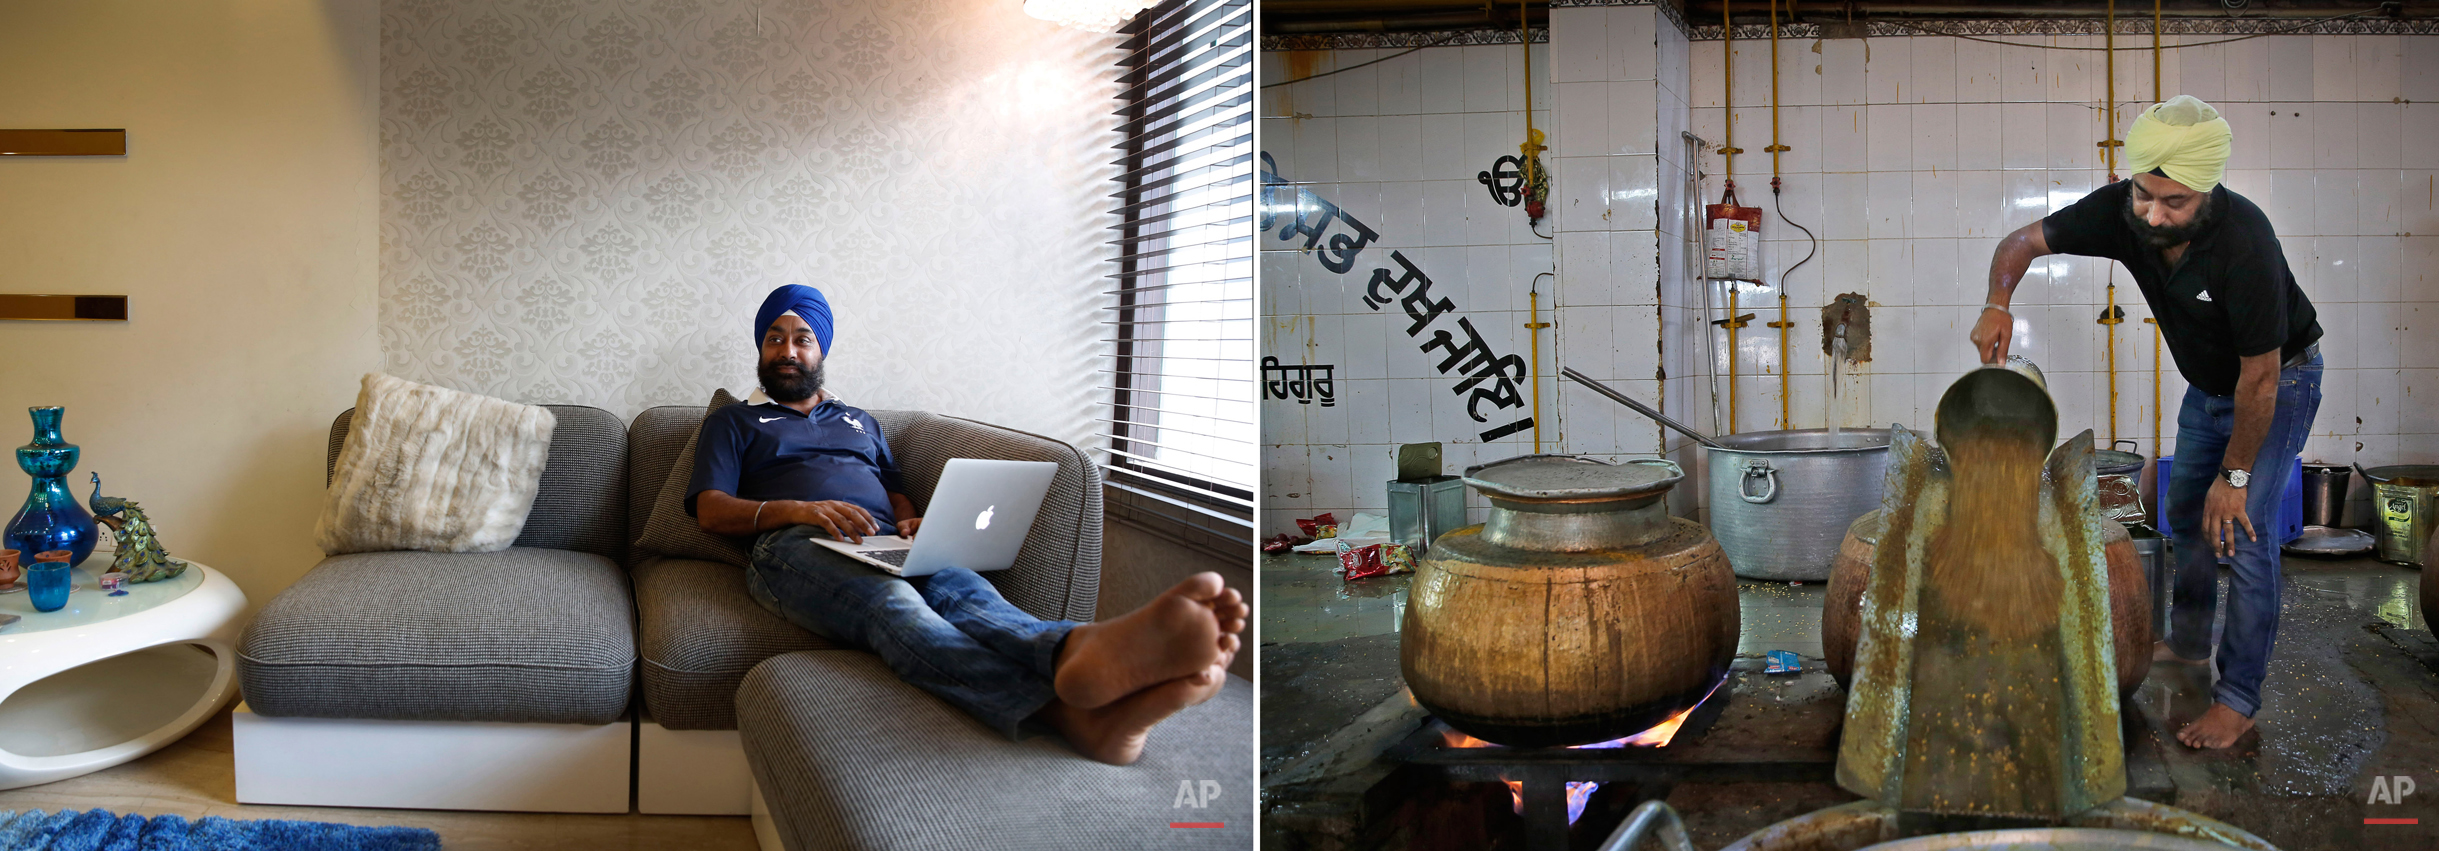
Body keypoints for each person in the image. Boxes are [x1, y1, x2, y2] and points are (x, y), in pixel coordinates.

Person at [688, 284, 1247, 765]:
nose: (787, 350)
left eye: (801, 338)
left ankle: (1075, 650)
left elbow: (896, 490)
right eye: (774, 338)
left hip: (882, 541)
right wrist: (797, 510)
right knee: (894, 605)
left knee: (967, 591)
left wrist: (913, 522)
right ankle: (1065, 711)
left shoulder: (861, 421)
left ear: (821, 349)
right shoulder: (735, 421)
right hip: (791, 547)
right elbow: (711, 508)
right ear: (761, 348)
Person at [1968, 96, 2322, 750]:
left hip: (2276, 385)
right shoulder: (2118, 211)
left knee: (2243, 530)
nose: (2153, 214)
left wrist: (2236, 475)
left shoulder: (2244, 243)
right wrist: (1997, 302)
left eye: (2174, 202)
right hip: (2208, 388)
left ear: (2207, 192)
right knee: (2184, 511)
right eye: (2143, 194)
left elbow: (2262, 379)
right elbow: (2018, 242)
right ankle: (2187, 642)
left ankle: (2237, 698)